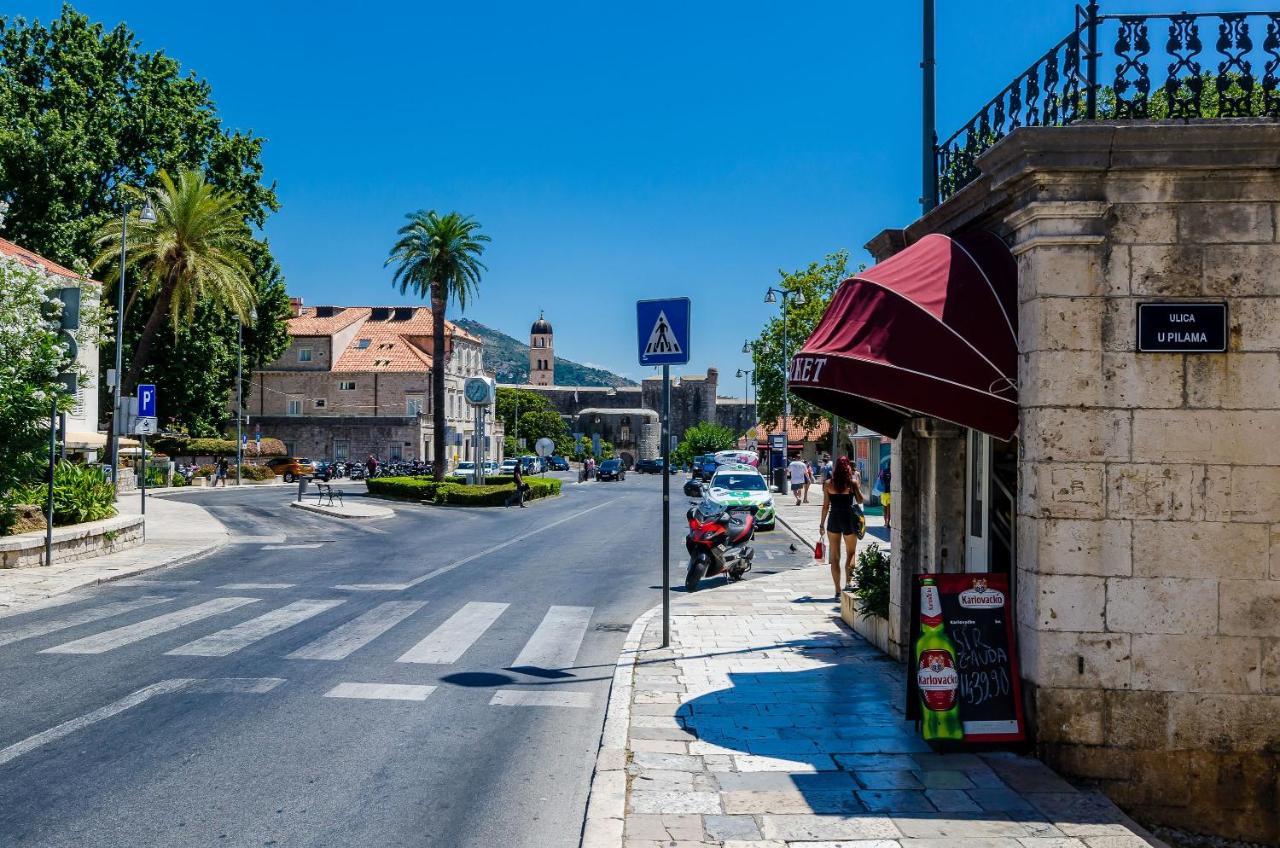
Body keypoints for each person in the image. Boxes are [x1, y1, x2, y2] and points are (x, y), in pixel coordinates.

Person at [820, 456, 865, 598]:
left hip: (834, 519)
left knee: (834, 557)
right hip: (849, 519)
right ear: (848, 468)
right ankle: (848, 583)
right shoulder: (852, 483)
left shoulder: (828, 484)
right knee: (851, 552)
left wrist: (822, 523)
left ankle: (837, 590)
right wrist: (856, 486)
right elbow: (860, 500)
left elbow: (826, 506)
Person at [878, 463, 892, 529]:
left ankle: (885, 523)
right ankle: (888, 523)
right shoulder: (893, 472)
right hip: (890, 492)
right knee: (889, 509)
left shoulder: (883, 471)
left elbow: (879, 481)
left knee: (884, 508)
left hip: (883, 492)